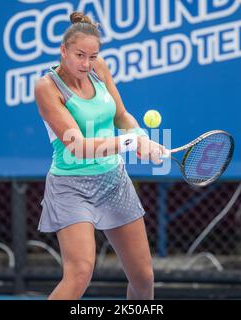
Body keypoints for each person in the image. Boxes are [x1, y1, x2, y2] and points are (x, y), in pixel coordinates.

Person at [34, 11, 166, 300]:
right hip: (71, 187)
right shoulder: (46, 87)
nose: (86, 63)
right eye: (80, 55)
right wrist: (131, 143)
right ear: (63, 50)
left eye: (92, 56)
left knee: (143, 279)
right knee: (80, 272)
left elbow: (121, 116)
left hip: (114, 182)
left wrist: (142, 136)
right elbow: (77, 145)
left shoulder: (99, 69)